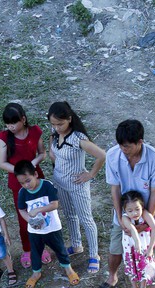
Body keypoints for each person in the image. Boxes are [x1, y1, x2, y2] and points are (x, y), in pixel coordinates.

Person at [97, 119, 155, 288]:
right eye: (120, 145)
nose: (123, 149)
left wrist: (146, 222)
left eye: (127, 146)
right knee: (115, 249)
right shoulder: (113, 155)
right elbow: (115, 189)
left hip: (151, 215)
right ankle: (112, 276)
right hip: (124, 213)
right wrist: (121, 220)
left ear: (140, 142)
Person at [47, 101, 106, 274]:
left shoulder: (78, 138)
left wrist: (90, 174)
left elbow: (102, 155)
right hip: (60, 183)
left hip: (77, 185)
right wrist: (57, 164)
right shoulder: (55, 133)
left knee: (86, 219)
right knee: (69, 215)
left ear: (70, 119)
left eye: (60, 124)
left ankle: (94, 255)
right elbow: (52, 151)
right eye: (54, 124)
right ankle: (76, 244)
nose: (57, 127)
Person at [0, 102, 50, 268]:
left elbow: (42, 153)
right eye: (8, 123)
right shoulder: (5, 138)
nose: (11, 126)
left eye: (14, 122)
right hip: (18, 184)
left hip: (36, 180)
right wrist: (21, 173)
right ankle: (28, 249)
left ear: (24, 119)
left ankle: (42, 247)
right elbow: (2, 163)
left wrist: (33, 163)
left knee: (42, 214)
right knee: (23, 217)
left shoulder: (35, 132)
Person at [14, 161, 80, 288]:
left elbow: (54, 204)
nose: (26, 185)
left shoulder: (47, 186)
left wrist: (37, 210)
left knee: (60, 248)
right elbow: (21, 210)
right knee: (35, 252)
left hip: (52, 227)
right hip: (35, 231)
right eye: (22, 183)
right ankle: (36, 273)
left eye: (28, 180)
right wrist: (30, 220)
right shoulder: (22, 192)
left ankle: (68, 268)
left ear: (36, 174)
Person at [120, 190, 155, 288]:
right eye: (130, 210)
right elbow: (132, 229)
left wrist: (151, 248)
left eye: (137, 209)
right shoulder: (125, 218)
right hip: (130, 250)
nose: (134, 213)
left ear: (142, 206)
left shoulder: (145, 214)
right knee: (131, 269)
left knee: (144, 270)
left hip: (145, 250)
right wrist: (137, 242)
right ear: (125, 210)